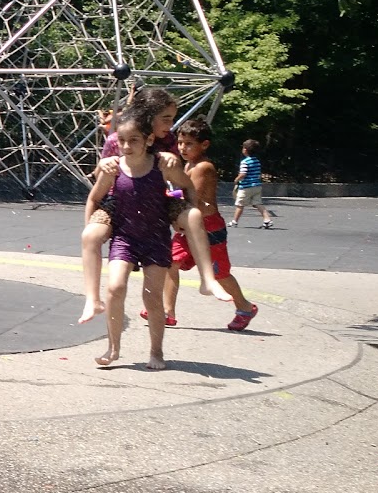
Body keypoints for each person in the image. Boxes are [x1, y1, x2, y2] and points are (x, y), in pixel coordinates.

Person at [77, 87, 231, 324]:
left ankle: (208, 279)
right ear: (148, 116)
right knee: (90, 235)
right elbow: (98, 176)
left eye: (172, 118)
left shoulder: (168, 141)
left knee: (193, 216)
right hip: (118, 199)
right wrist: (106, 163)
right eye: (166, 118)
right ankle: (92, 299)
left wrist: (184, 207)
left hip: (156, 198)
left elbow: (180, 180)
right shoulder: (117, 138)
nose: (171, 124)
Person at [84, 111, 198, 371]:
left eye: (133, 140)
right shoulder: (113, 168)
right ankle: (113, 348)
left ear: (148, 140)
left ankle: (156, 351)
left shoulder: (162, 165)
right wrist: (93, 230)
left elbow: (187, 186)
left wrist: (185, 212)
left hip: (155, 236)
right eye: (122, 140)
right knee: (114, 288)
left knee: (153, 298)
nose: (126, 146)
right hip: (124, 236)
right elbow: (94, 197)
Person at [163, 116, 258, 330]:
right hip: (189, 225)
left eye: (189, 144)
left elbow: (191, 195)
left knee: (219, 273)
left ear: (204, 145)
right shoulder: (188, 165)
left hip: (209, 228)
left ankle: (244, 306)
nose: (183, 148)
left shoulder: (202, 167)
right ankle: (168, 311)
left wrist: (166, 194)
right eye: (180, 143)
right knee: (170, 262)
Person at [231, 138, 274, 228]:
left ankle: (234, 221)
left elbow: (243, 174)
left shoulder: (244, 162)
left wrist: (236, 180)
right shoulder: (256, 161)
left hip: (246, 187)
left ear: (245, 150)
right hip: (257, 186)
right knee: (258, 203)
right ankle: (267, 219)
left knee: (240, 204)